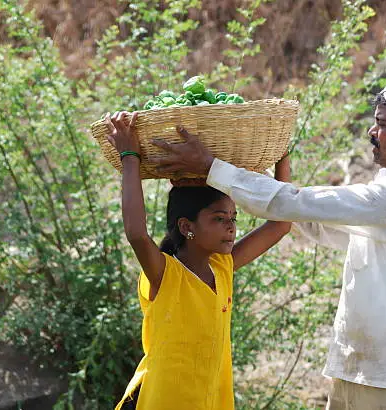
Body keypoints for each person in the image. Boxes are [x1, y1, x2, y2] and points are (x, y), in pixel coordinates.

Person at [149, 65, 386, 409]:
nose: (372, 132)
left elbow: (300, 204)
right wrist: (256, 176)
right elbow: (310, 217)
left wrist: (214, 167)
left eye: (383, 123)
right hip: (364, 372)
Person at [105, 111, 292, 410]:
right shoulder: (166, 274)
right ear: (186, 227)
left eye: (233, 217)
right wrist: (130, 156)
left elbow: (281, 225)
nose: (231, 227)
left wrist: (282, 152)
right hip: (162, 400)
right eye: (219, 219)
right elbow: (137, 234)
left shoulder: (221, 268)